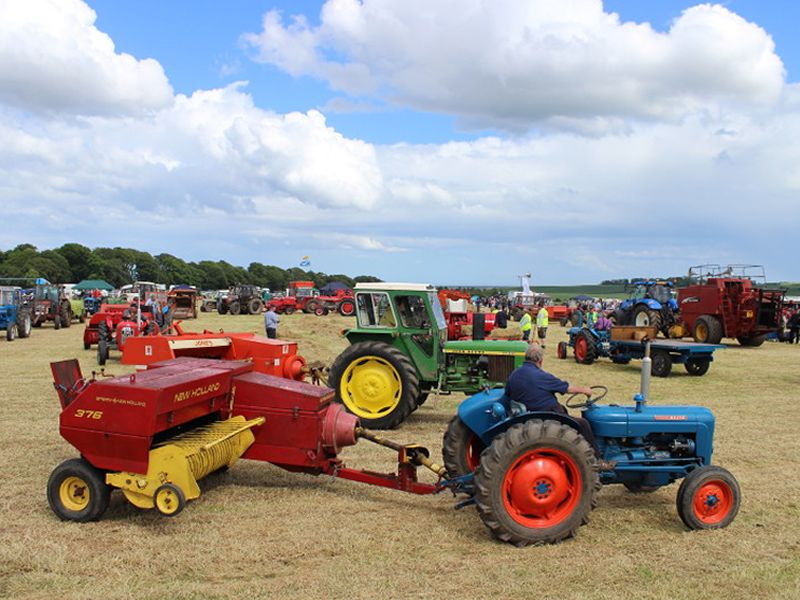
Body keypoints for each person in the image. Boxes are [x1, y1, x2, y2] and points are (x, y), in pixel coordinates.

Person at [505, 343, 615, 470]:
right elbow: (567, 388)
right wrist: (585, 390)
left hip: (528, 414)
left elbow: (507, 393)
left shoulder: (514, 374)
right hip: (548, 417)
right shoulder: (542, 376)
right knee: (583, 424)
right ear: (540, 360)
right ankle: (597, 460)